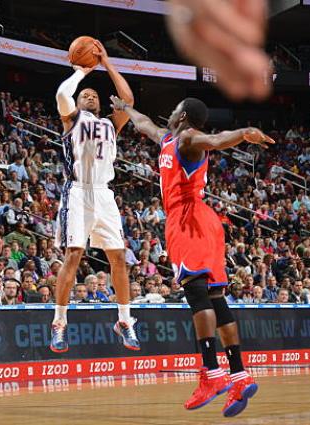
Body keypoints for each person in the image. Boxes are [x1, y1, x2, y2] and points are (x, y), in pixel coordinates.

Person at [111, 95, 273, 416]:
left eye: (173, 108)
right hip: (204, 220)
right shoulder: (169, 138)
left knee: (197, 293)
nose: (169, 111)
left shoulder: (187, 138)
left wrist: (242, 133)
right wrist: (126, 109)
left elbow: (213, 140)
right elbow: (145, 126)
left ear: (182, 115)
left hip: (187, 217)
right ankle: (239, 374)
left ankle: (212, 372)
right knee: (214, 297)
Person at [50, 40, 139, 353]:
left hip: (104, 194)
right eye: (84, 95)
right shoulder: (72, 120)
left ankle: (125, 320)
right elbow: (63, 95)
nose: (88, 96)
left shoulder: (110, 124)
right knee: (74, 254)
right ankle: (59, 323)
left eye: (92, 95)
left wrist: (108, 64)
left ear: (99, 105)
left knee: (118, 258)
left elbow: (127, 99)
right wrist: (81, 72)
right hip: (78, 192)